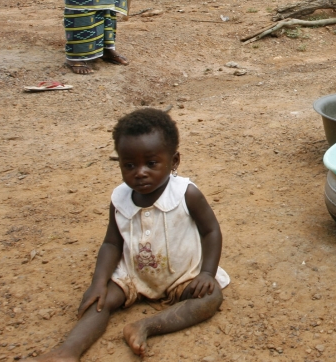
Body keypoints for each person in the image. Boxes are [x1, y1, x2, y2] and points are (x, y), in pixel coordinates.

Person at [27, 109, 229, 360]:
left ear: (174, 161)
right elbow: (111, 243)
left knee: (211, 297)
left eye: (151, 163)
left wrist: (207, 273)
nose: (140, 172)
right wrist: (98, 282)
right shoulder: (120, 198)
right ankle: (68, 352)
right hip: (134, 274)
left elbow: (211, 231)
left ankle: (145, 326)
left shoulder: (186, 194)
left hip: (181, 275)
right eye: (129, 165)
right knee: (100, 300)